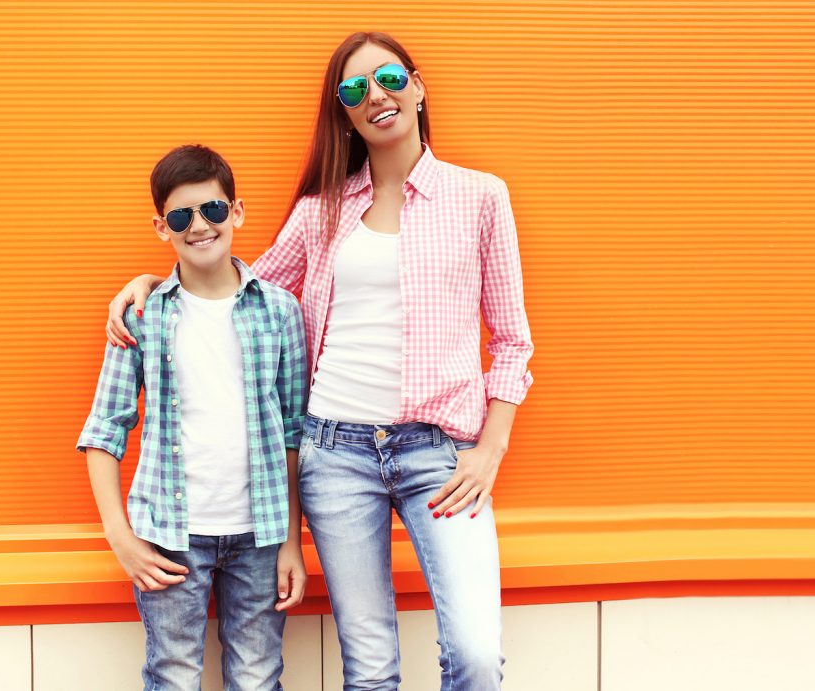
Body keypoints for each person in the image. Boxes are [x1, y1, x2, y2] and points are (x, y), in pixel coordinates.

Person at [105, 32, 534, 691]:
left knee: (475, 655)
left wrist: (489, 449)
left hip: (441, 455)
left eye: (388, 79)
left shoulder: (480, 197)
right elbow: (232, 284)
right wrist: (146, 282)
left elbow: (511, 341)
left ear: (418, 87)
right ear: (344, 112)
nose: (376, 97)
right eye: (355, 90)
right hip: (336, 454)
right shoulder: (322, 211)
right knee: (370, 669)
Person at [77, 144, 308, 690]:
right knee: (173, 676)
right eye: (182, 216)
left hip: (260, 535)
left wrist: (292, 540)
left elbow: (295, 434)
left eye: (213, 210)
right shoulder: (143, 314)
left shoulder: (280, 311)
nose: (199, 226)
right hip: (168, 538)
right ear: (162, 226)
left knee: (258, 678)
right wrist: (121, 536)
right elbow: (104, 429)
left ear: (238, 212)